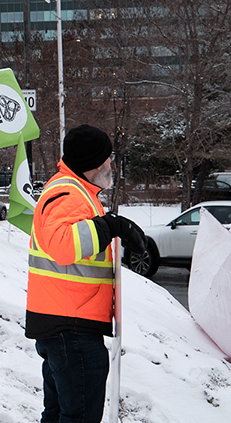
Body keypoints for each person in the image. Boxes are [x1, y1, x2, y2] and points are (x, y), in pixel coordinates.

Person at [26, 125, 146, 423]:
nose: (111, 164)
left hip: (68, 322)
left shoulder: (77, 190)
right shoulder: (68, 192)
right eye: (108, 157)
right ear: (94, 162)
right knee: (79, 417)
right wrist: (111, 227)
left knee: (60, 415)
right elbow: (62, 245)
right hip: (71, 327)